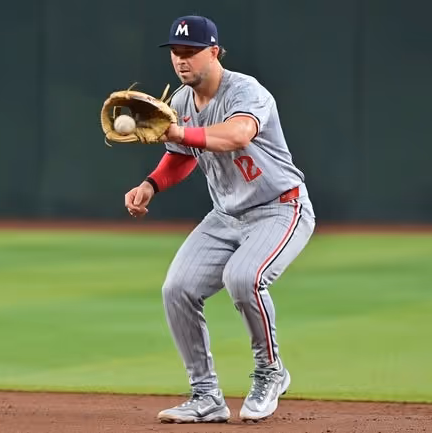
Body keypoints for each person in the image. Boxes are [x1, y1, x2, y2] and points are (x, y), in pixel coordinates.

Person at [123, 15, 316, 423]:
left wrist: (178, 134)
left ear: (214, 52)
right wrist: (151, 185)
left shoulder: (246, 91)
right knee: (177, 289)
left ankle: (270, 371)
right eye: (176, 52)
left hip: (280, 207)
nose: (181, 59)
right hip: (226, 215)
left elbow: (236, 135)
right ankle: (206, 396)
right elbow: (181, 156)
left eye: (191, 51)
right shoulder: (180, 103)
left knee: (243, 278)